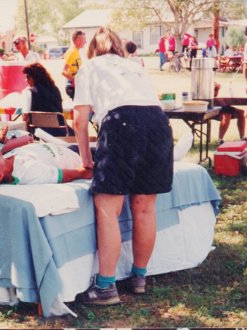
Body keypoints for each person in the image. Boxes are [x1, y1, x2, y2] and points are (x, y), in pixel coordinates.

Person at [73, 27, 173, 305]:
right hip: (158, 124)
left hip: (123, 124)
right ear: (119, 47)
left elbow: (80, 121)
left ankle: (105, 287)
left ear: (92, 48)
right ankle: (139, 277)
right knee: (144, 206)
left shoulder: (89, 66)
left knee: (108, 208)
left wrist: (85, 159)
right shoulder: (135, 66)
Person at [0, 142, 93, 189]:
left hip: (64, 147)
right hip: (81, 157)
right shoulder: (28, 173)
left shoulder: (5, 162)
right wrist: (85, 171)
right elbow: (70, 174)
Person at [21, 62, 73, 137]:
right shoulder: (55, 89)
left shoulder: (28, 92)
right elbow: (60, 110)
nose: (26, 80)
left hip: (39, 134)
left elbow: (25, 117)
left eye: (28, 77)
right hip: (61, 132)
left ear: (36, 77)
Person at [62, 30, 86, 99]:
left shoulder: (77, 51)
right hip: (72, 87)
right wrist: (75, 80)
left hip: (77, 86)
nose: (85, 42)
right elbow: (64, 71)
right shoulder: (72, 52)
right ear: (78, 40)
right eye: (84, 40)